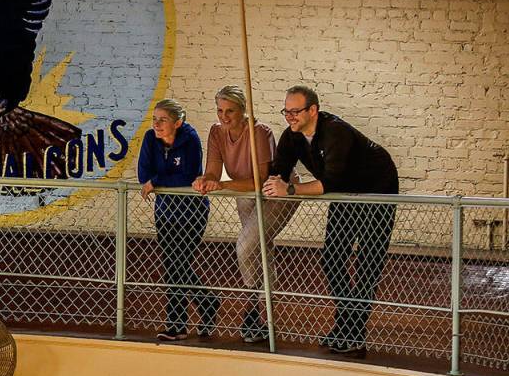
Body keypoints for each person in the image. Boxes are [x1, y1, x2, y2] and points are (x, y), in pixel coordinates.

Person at [263, 85, 398, 357]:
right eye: (286, 111)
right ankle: (346, 324)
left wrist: (289, 190)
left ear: (313, 110)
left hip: (377, 189)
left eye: (295, 111)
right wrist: (271, 180)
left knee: (367, 262)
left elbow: (330, 182)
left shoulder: (336, 131)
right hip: (344, 192)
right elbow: (278, 170)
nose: (289, 117)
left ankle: (354, 332)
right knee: (333, 257)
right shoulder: (292, 137)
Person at [192, 85, 298, 343]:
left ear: (243, 110)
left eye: (230, 111)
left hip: (274, 192)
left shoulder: (259, 133)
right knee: (259, 249)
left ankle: (251, 309)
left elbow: (260, 180)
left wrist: (224, 185)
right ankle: (265, 317)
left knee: (245, 246)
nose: (224, 116)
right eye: (220, 110)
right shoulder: (216, 132)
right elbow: (214, 171)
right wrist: (205, 180)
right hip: (244, 191)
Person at [138, 99, 218, 341]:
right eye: (155, 119)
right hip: (165, 212)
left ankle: (178, 323)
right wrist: (161, 179)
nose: (157, 124)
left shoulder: (190, 139)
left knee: (179, 264)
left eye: (163, 120)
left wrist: (158, 180)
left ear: (178, 122)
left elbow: (188, 178)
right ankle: (207, 302)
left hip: (191, 211)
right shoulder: (150, 139)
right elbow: (144, 174)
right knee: (173, 265)